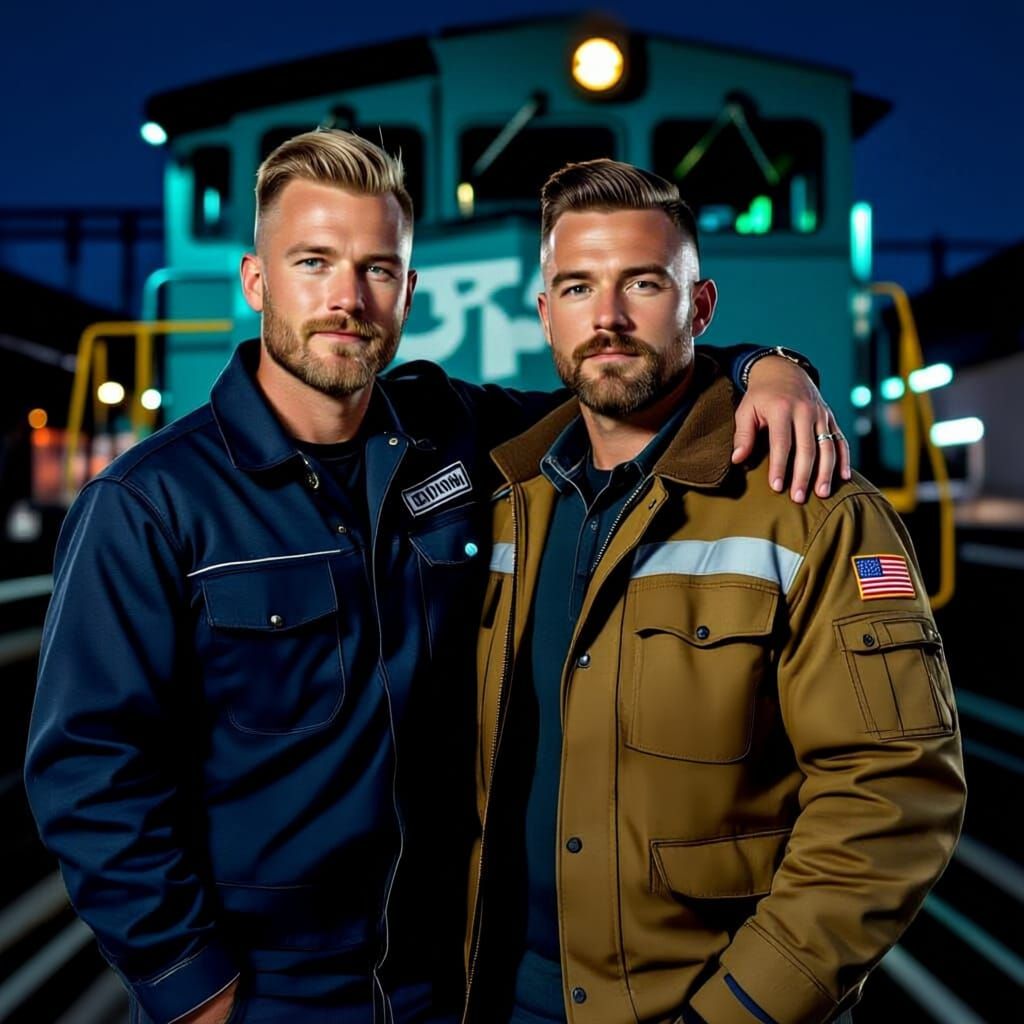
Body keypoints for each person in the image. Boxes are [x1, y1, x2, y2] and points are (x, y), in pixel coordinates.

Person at [25, 131, 845, 1024]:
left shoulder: (455, 432)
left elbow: (624, 383)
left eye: (378, 269)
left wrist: (769, 369)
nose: (347, 299)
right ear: (257, 281)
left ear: (409, 292)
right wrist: (191, 984)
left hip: (447, 974)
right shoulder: (150, 504)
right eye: (314, 262)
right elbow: (88, 768)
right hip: (268, 992)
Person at [465, 159, 966, 1024]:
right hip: (502, 998)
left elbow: (893, 793)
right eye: (578, 287)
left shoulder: (809, 508)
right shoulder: (502, 497)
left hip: (707, 1006)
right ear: (546, 314)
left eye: (644, 284)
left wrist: (739, 1010)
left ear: (700, 307)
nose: (609, 318)